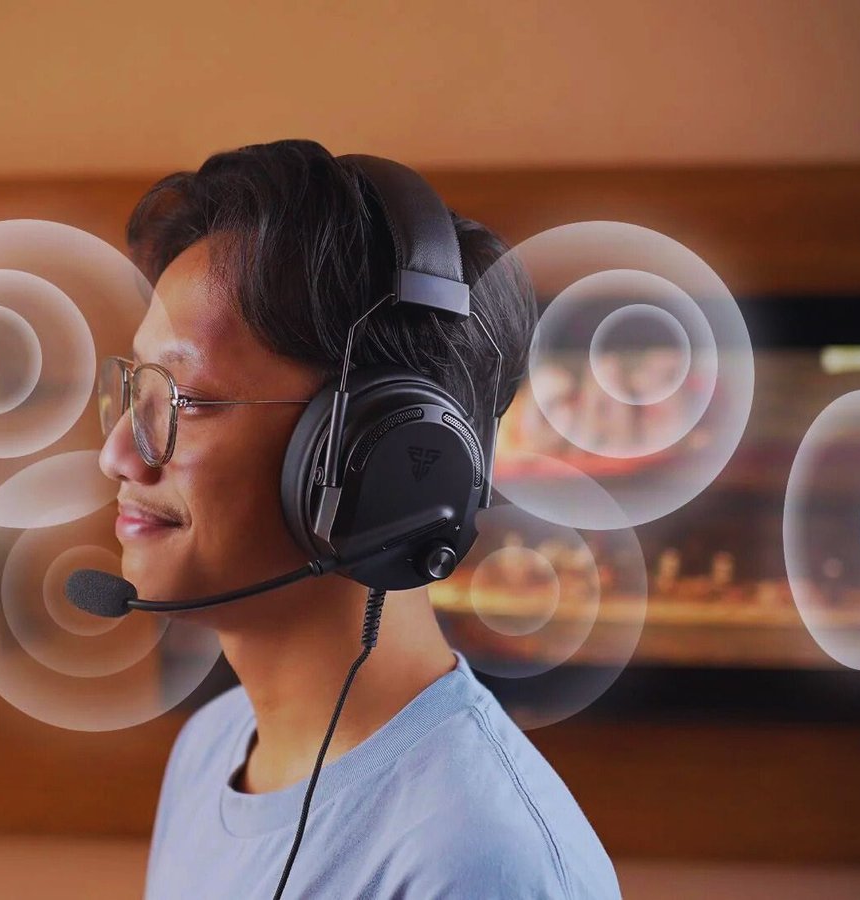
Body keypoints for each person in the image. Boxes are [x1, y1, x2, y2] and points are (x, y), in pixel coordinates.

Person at [97, 139, 620, 898]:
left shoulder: (476, 861)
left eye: (187, 400)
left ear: (371, 458)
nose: (118, 454)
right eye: (136, 391)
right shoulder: (211, 749)